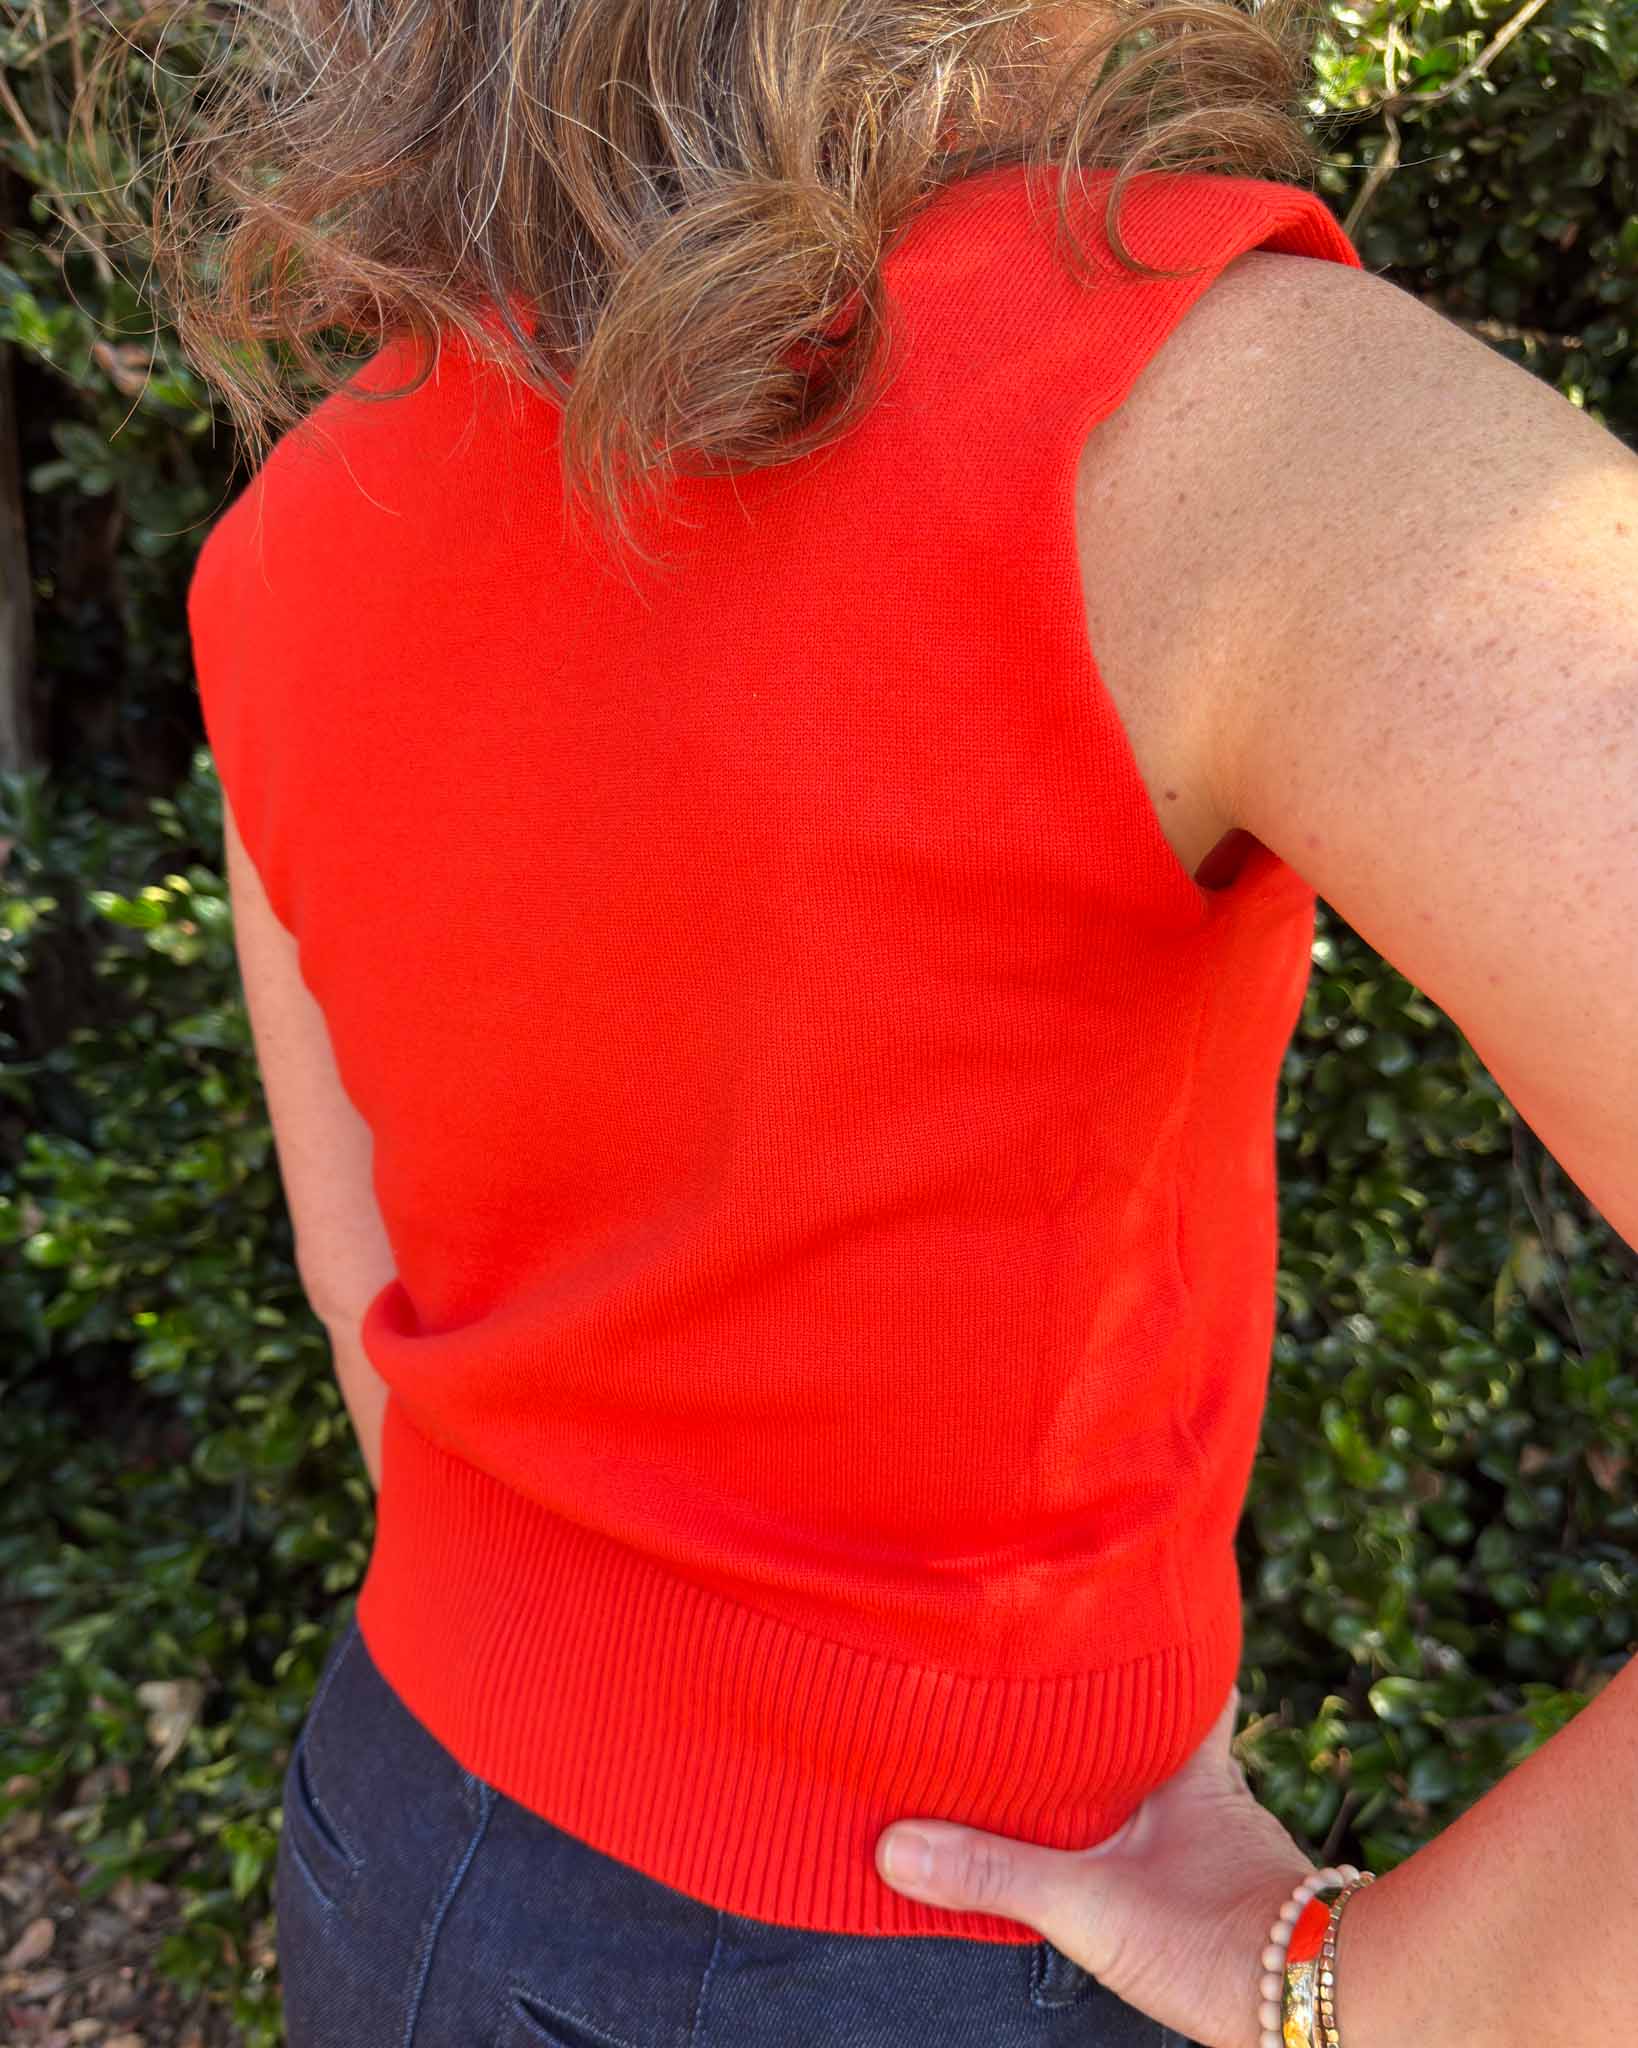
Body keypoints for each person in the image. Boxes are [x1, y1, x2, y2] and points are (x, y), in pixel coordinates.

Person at [147, 0, 1637, 2042]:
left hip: (399, 1836)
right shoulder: (1239, 433)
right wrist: (1372, 1998)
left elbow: (365, 1286)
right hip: (932, 1931)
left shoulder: (303, 519)